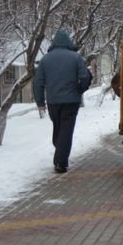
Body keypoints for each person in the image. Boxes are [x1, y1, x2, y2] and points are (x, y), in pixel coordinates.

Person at [33, 29, 93, 174]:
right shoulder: (76, 57)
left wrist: (40, 102)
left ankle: (60, 154)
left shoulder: (45, 60)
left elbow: (37, 83)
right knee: (66, 130)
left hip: (53, 102)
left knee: (59, 127)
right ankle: (60, 161)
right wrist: (80, 90)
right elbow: (85, 77)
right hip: (71, 101)